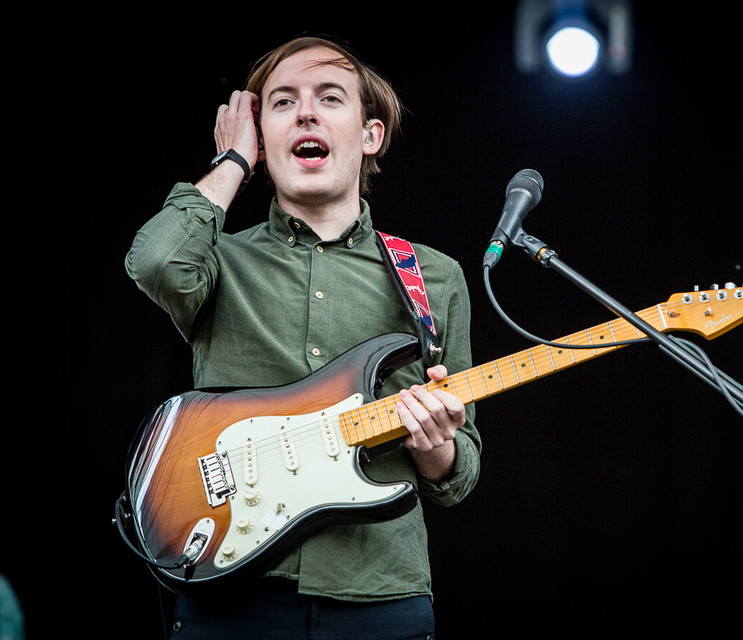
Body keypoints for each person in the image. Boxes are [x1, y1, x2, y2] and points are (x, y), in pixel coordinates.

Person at [125, 35, 481, 639]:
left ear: (370, 136)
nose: (307, 112)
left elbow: (459, 470)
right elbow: (156, 262)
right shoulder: (218, 260)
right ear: (262, 136)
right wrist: (233, 162)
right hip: (230, 589)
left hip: (376, 591)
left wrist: (433, 442)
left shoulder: (433, 276)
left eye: (330, 98)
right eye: (283, 102)